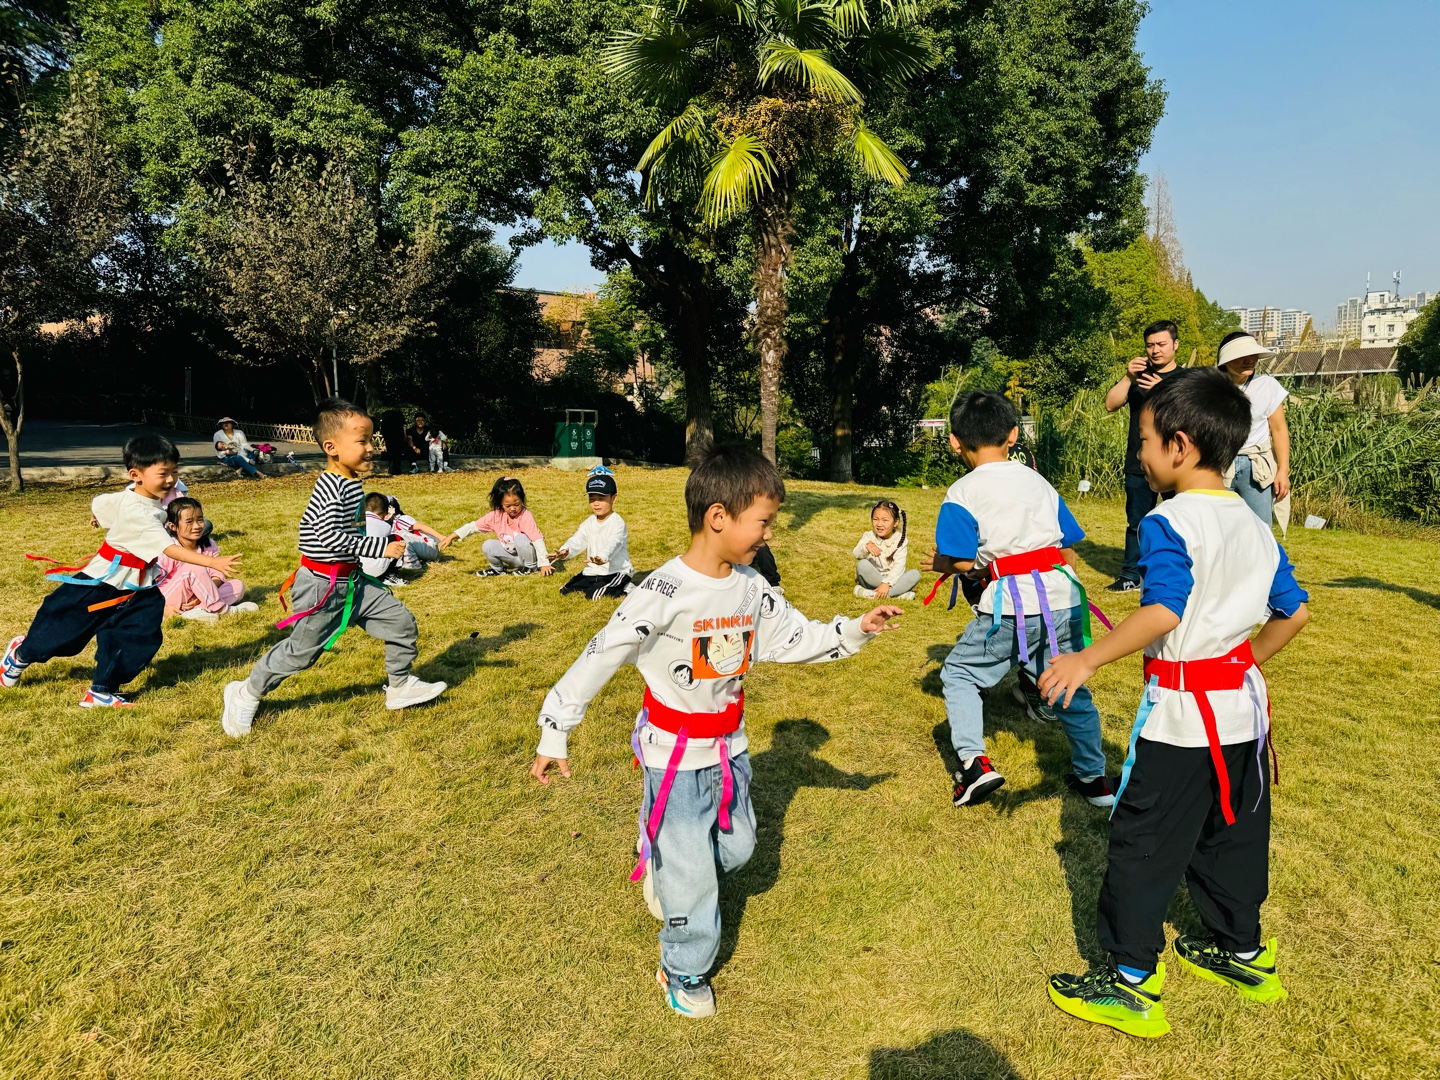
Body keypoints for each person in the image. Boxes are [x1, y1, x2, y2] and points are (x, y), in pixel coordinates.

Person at [530, 444, 902, 1018]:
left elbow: (795, 637)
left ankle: (665, 861)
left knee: (738, 848)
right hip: (674, 757)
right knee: (693, 877)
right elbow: (600, 655)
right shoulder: (661, 593)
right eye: (764, 522)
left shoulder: (752, 588)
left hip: (731, 752)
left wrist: (856, 629)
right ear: (719, 517)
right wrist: (556, 728)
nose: (769, 534)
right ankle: (683, 966)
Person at [1039, 368, 1309, 1039]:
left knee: (1143, 843)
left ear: (1180, 446)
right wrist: (1240, 661)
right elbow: (1294, 613)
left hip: (1182, 723)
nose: (1139, 453)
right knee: (1232, 834)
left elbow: (1164, 610)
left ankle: (1130, 981)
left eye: (1145, 441)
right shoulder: (1254, 525)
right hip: (1243, 718)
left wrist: (1085, 659)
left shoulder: (1169, 522)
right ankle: (1242, 952)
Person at [922, 391, 1112, 809]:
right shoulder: (1038, 481)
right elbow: (1068, 548)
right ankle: (1094, 778)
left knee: (960, 674)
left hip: (1010, 605)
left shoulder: (962, 493)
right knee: (1066, 683)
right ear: (1012, 434)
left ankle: (973, 764)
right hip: (1062, 598)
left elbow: (964, 561)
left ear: (954, 441)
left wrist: (942, 564)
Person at [218, 398, 447, 738]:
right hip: (321, 587)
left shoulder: (350, 482)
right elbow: (328, 536)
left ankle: (399, 686)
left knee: (400, 622)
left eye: (371, 440)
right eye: (362, 441)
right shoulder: (331, 486)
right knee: (301, 654)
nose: (370, 448)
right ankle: (245, 692)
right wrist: (380, 547)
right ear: (332, 447)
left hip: (352, 582)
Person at [2, 435, 243, 707]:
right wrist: (211, 562)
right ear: (136, 475)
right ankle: (20, 655)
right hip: (104, 582)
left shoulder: (139, 496)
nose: (171, 480)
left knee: (138, 633)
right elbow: (168, 548)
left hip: (139, 586)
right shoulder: (140, 513)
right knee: (64, 631)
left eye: (174, 472)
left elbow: (102, 502)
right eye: (163, 474)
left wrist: (97, 516)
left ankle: (101, 690)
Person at [1103, 321, 1184, 592]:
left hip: (1175, 463)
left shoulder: (1186, 379)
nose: (1155, 350)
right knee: (1136, 522)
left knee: (1181, 521)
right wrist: (1128, 377)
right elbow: (1110, 404)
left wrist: (1162, 392)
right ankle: (1130, 576)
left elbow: (1192, 418)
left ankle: (1179, 571)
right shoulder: (1137, 377)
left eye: (1161, 344)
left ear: (1175, 345)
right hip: (1139, 461)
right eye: (1150, 345)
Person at [1215, 331, 1291, 529]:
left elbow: (1279, 430)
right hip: (1218, 464)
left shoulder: (1267, 385)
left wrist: (1283, 470)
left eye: (1253, 355)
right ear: (1226, 359)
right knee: (1219, 528)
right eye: (1242, 356)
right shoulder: (1209, 386)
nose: (1249, 360)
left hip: (1256, 466)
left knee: (1260, 528)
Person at [157, 496, 258, 622]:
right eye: (189, 522)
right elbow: (153, 583)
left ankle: (195, 612)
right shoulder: (169, 549)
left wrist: (203, 592)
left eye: (200, 520)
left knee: (237, 586)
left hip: (197, 597)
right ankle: (222, 610)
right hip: (169, 597)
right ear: (173, 526)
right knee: (193, 567)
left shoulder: (209, 545)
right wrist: (164, 607)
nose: (197, 526)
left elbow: (217, 576)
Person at [445, 476, 553, 578]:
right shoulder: (496, 516)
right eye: (508, 506)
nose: (513, 509)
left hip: (528, 558)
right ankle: (497, 570)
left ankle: (530, 568)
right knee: (487, 545)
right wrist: (450, 537)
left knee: (520, 538)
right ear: (501, 503)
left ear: (522, 500)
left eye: (517, 504)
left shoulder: (525, 515)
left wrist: (544, 563)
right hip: (513, 559)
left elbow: (537, 539)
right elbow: (472, 527)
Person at [552, 467, 633, 599]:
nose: (596, 504)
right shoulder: (589, 522)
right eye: (592, 499)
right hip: (592, 571)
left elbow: (613, 544)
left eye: (601, 498)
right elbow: (578, 539)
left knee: (594, 596)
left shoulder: (617, 523)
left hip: (615, 571)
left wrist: (602, 557)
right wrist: (565, 551)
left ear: (614, 498)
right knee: (565, 591)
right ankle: (604, 585)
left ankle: (626, 587)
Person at [360, 493, 450, 584]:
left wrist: (441, 537)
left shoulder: (399, 520)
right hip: (376, 568)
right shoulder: (385, 525)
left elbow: (420, 526)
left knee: (398, 537)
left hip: (430, 547)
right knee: (396, 539)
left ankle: (412, 565)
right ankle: (393, 573)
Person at [853, 500, 921, 600]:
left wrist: (887, 583)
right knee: (862, 564)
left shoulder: (900, 540)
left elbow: (899, 566)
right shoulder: (868, 536)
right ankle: (896, 595)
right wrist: (866, 547)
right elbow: (856, 554)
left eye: (885, 520)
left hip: (893, 580)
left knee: (915, 574)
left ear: (895, 523)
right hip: (873, 578)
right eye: (875, 519)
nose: (879, 524)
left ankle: (873, 594)